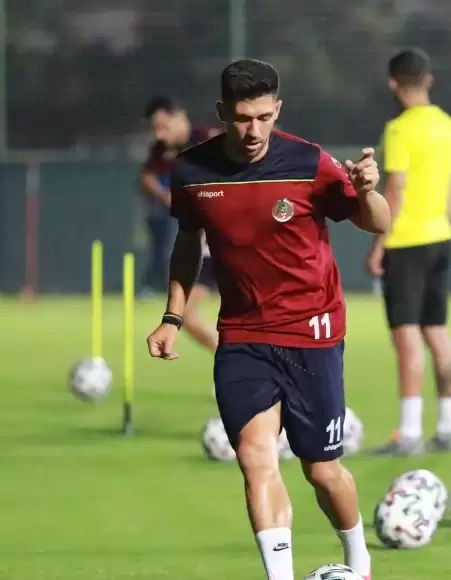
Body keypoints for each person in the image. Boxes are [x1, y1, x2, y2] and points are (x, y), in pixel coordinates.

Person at [145, 59, 389, 580]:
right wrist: (173, 316)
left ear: (278, 110)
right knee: (256, 460)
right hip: (242, 338)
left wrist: (368, 190)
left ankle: (360, 560)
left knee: (322, 472)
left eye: (263, 117)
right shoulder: (191, 172)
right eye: (242, 118)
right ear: (222, 113)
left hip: (312, 333)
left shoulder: (309, 162)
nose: (253, 130)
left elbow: (378, 223)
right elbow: (187, 245)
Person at [365, 48, 451, 456]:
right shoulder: (449, 127)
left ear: (393, 84)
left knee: (406, 336)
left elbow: (395, 189)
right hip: (440, 236)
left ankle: (408, 433)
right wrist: (443, 225)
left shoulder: (399, 130)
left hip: (406, 241)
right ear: (429, 80)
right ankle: (447, 428)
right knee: (437, 331)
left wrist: (379, 242)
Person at [140, 97, 220, 351]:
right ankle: (235, 364)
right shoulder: (162, 150)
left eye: (163, 127)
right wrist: (166, 197)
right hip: (207, 246)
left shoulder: (209, 139)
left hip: (239, 241)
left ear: (180, 116)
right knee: (183, 313)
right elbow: (146, 176)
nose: (159, 135)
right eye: (155, 129)